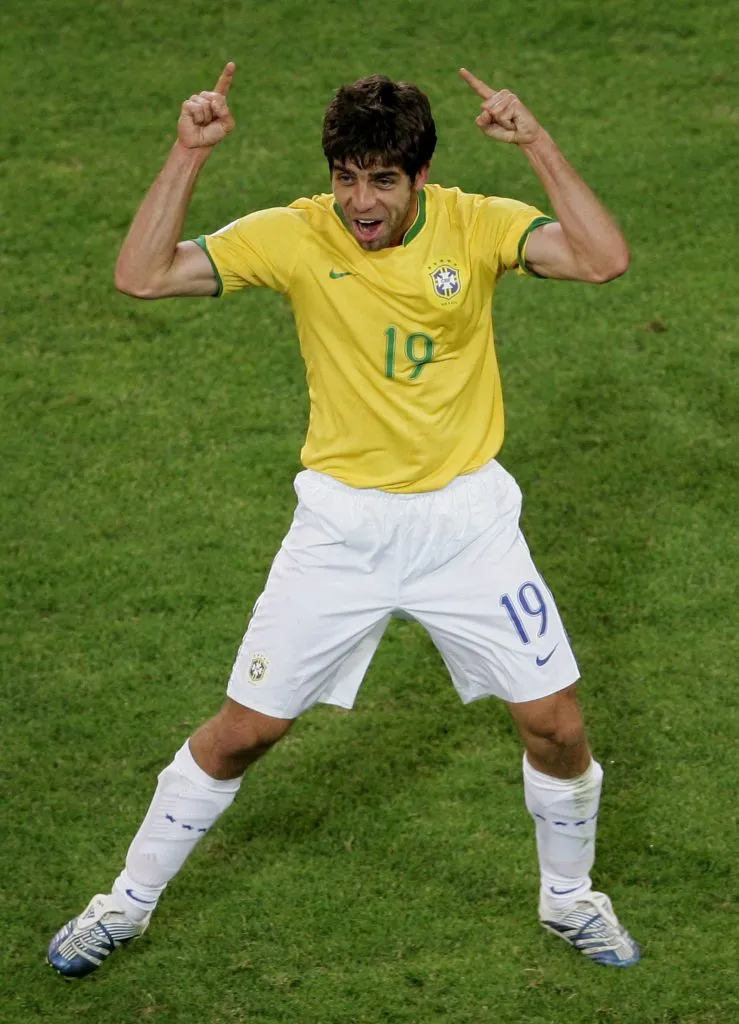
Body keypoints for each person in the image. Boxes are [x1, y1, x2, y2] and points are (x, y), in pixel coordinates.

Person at [47, 61, 640, 977]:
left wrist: (535, 143)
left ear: (419, 178)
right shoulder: (293, 234)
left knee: (556, 725)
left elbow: (601, 259)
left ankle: (569, 901)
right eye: (345, 176)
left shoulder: (476, 223)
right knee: (243, 731)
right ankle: (122, 905)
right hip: (342, 533)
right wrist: (187, 151)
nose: (359, 201)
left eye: (381, 179)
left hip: (467, 527)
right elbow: (142, 275)